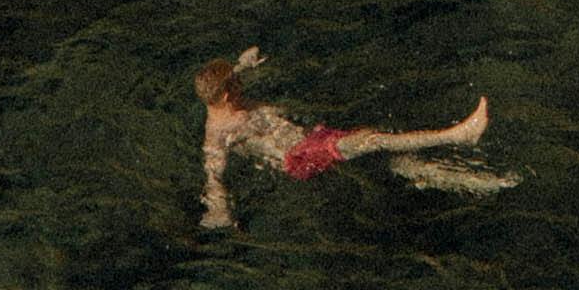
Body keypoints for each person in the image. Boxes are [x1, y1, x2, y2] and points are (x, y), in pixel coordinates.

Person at [195, 50, 510, 232]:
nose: (242, 83)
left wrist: (243, 64)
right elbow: (213, 170)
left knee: (392, 161)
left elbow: (228, 82)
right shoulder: (218, 132)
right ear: (226, 95)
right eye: (237, 82)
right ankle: (458, 135)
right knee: (373, 140)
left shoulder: (225, 101)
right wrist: (219, 209)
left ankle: (472, 182)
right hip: (301, 157)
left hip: (313, 140)